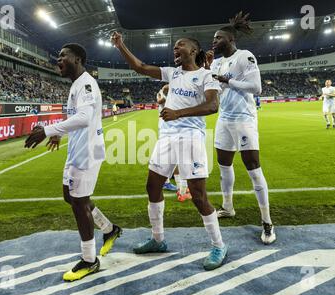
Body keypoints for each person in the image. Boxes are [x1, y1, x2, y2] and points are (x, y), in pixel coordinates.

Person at [111, 31, 228, 270]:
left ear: (194, 50)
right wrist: (120, 45)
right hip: (167, 138)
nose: (175, 50)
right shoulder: (172, 73)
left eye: (180, 46)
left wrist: (177, 113)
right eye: (174, 47)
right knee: (152, 186)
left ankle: (218, 245)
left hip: (191, 138)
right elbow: (141, 67)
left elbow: (212, 105)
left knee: (198, 196)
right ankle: (158, 239)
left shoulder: (207, 76)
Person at [24, 43, 122, 282]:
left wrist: (47, 130)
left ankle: (90, 260)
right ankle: (110, 229)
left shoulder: (86, 83)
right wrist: (59, 133)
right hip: (77, 150)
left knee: (79, 202)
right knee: (71, 197)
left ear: (77, 59)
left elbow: (85, 117)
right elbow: (76, 119)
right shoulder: (76, 85)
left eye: (62, 56)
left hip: (87, 153)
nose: (58, 60)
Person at [206, 11, 275, 245]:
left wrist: (227, 81)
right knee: (223, 166)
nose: (214, 41)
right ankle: (227, 207)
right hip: (224, 119)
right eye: (214, 39)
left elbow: (256, 88)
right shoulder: (216, 62)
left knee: (253, 169)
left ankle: (266, 221)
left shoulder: (245, 56)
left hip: (244, 119)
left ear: (230, 40)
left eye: (218, 38)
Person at [157, 84, 192, 201]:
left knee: (174, 159)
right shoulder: (163, 96)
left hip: (169, 129)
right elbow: (161, 99)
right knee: (180, 159)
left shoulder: (169, 96)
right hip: (169, 130)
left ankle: (179, 187)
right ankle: (181, 190)